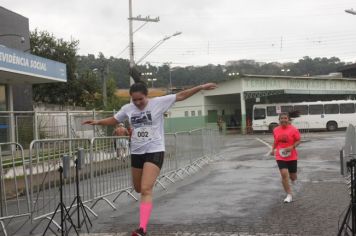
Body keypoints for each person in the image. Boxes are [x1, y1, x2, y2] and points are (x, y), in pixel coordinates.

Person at [83, 80, 217, 236]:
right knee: (138, 188)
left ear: (146, 96)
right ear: (131, 99)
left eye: (141, 99)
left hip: (155, 150)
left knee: (146, 189)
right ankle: (145, 208)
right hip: (137, 152)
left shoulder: (159, 103)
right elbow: (115, 119)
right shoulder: (128, 108)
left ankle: (142, 229)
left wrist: (201, 87)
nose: (138, 103)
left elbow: (181, 95)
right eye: (135, 100)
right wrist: (98, 121)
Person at [270, 111, 301, 203]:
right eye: (281, 118)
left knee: (293, 177)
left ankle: (292, 181)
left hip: (292, 156)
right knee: (284, 174)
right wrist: (273, 149)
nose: (283, 120)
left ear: (288, 119)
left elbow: (298, 140)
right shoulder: (276, 130)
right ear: (279, 120)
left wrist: (292, 147)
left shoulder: (294, 129)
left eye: (285, 118)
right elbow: (276, 141)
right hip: (280, 155)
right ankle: (289, 194)